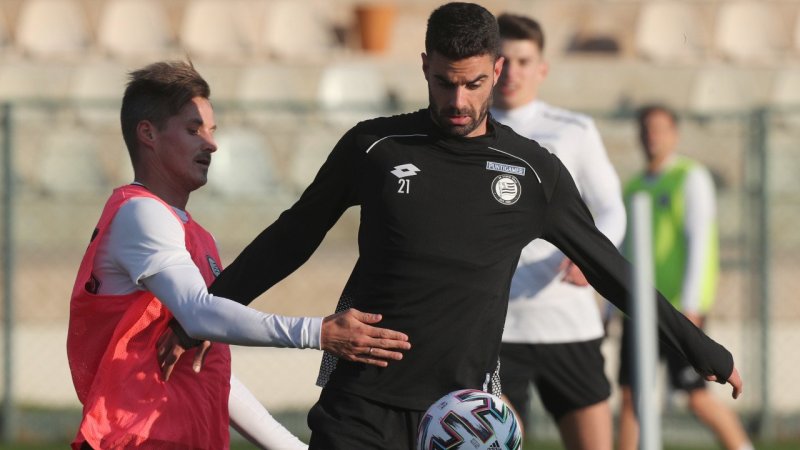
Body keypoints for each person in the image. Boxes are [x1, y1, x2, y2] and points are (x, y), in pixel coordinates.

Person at [165, 4, 742, 449]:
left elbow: (611, 269)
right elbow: (293, 236)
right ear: (424, 67)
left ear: (496, 71)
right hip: (360, 398)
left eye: (472, 84)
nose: (458, 100)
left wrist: (702, 348)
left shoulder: (533, 172)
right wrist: (203, 315)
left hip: (463, 413)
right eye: (444, 83)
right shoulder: (375, 146)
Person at [65, 60, 410, 450]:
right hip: (135, 439)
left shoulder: (193, 234)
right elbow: (198, 311)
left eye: (212, 131)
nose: (211, 144)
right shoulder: (140, 213)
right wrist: (318, 333)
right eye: (193, 129)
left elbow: (211, 375)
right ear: (148, 133)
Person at [490, 13, 624, 450]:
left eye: (524, 61)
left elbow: (610, 209)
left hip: (568, 324)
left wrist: (592, 258)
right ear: (489, 65)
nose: (512, 71)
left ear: (541, 68)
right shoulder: (468, 130)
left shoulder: (574, 130)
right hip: (493, 328)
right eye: (503, 60)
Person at [617, 104, 753, 450]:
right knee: (632, 396)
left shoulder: (690, 177)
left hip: (678, 309)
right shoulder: (633, 187)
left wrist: (692, 304)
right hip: (638, 309)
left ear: (674, 134)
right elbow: (622, 252)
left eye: (660, 128)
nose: (652, 136)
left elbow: (700, 242)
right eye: (646, 128)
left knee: (695, 396)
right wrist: (609, 309)